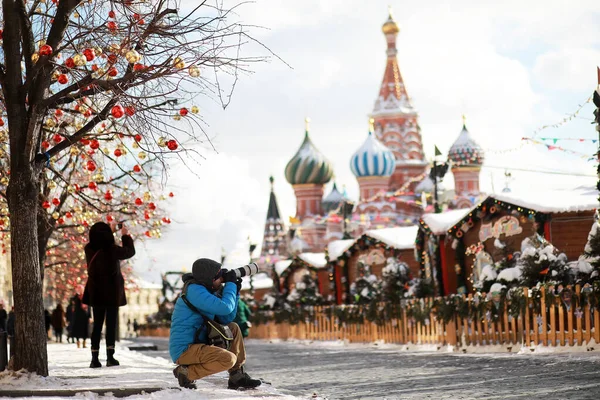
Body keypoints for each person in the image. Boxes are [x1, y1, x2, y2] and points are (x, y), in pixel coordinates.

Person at [169, 258, 261, 390]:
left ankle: (237, 376)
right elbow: (225, 308)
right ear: (209, 279)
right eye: (219, 276)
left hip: (199, 344)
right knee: (227, 359)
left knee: (233, 328)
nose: (222, 279)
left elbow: (226, 318)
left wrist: (234, 293)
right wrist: (230, 284)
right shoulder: (194, 291)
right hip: (185, 350)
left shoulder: (206, 291)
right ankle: (186, 373)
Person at [83, 221, 135, 368]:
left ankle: (94, 358)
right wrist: (125, 236)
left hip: (96, 293)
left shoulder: (89, 249)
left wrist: (110, 232)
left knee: (97, 326)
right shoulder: (112, 250)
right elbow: (129, 251)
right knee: (111, 325)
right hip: (112, 293)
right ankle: (110, 357)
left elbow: (101, 243)